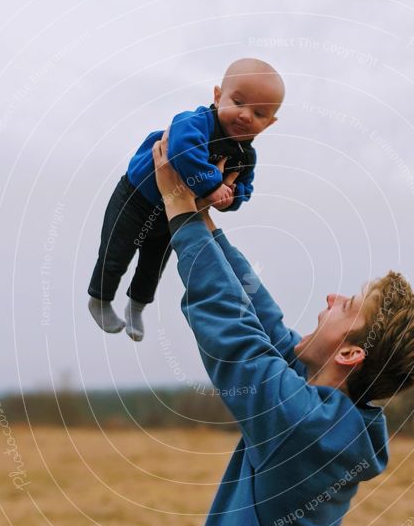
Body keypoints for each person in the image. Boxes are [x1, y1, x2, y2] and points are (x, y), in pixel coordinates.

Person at [150, 134, 414, 526]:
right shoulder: (327, 419)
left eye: (348, 305)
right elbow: (260, 318)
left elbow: (235, 336)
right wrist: (208, 219)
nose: (333, 299)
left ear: (350, 355)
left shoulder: (305, 428)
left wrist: (179, 214)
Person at [87, 57, 284, 341]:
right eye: (238, 102)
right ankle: (100, 299)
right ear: (218, 96)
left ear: (270, 123)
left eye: (259, 113)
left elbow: (244, 188)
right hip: (137, 196)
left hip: (172, 211)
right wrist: (213, 185)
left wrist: (230, 198)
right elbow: (182, 152)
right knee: (116, 253)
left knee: (153, 264)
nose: (245, 116)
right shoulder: (195, 123)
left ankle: (136, 307)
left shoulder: (245, 156)